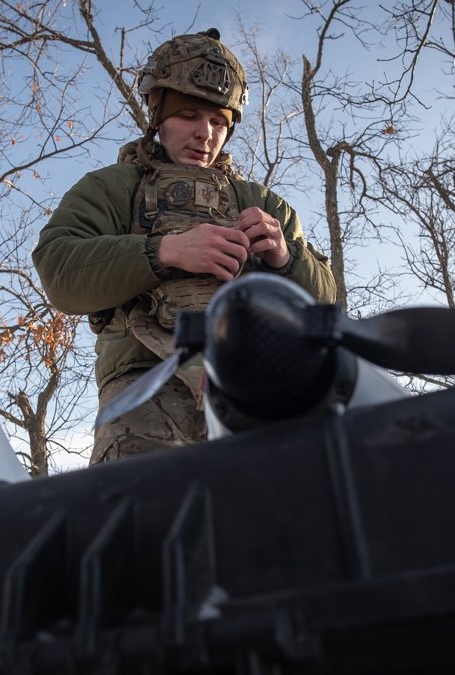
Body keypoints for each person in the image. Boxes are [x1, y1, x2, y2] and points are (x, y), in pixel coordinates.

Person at [32, 28, 336, 465]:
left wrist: (287, 259)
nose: (205, 134)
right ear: (158, 115)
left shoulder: (263, 204)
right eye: (189, 115)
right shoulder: (112, 188)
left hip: (257, 386)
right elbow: (59, 271)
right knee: (147, 517)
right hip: (145, 387)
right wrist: (164, 252)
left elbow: (326, 303)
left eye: (218, 122)